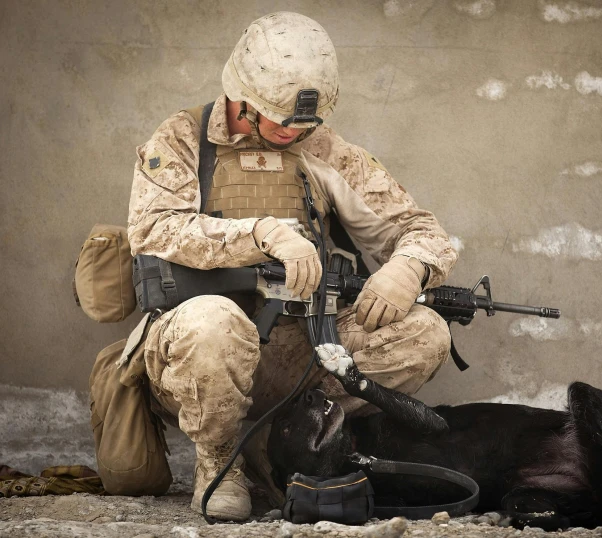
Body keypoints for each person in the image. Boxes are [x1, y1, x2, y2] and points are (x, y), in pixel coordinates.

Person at [127, 11, 458, 522]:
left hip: (300, 348)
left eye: (308, 122)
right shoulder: (182, 139)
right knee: (214, 321)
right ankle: (219, 461)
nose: (295, 133)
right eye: (284, 121)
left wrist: (409, 266)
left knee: (425, 334)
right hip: (196, 351)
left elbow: (418, 228)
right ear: (243, 99)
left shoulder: (322, 149)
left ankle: (277, 440)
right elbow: (152, 229)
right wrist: (260, 234)